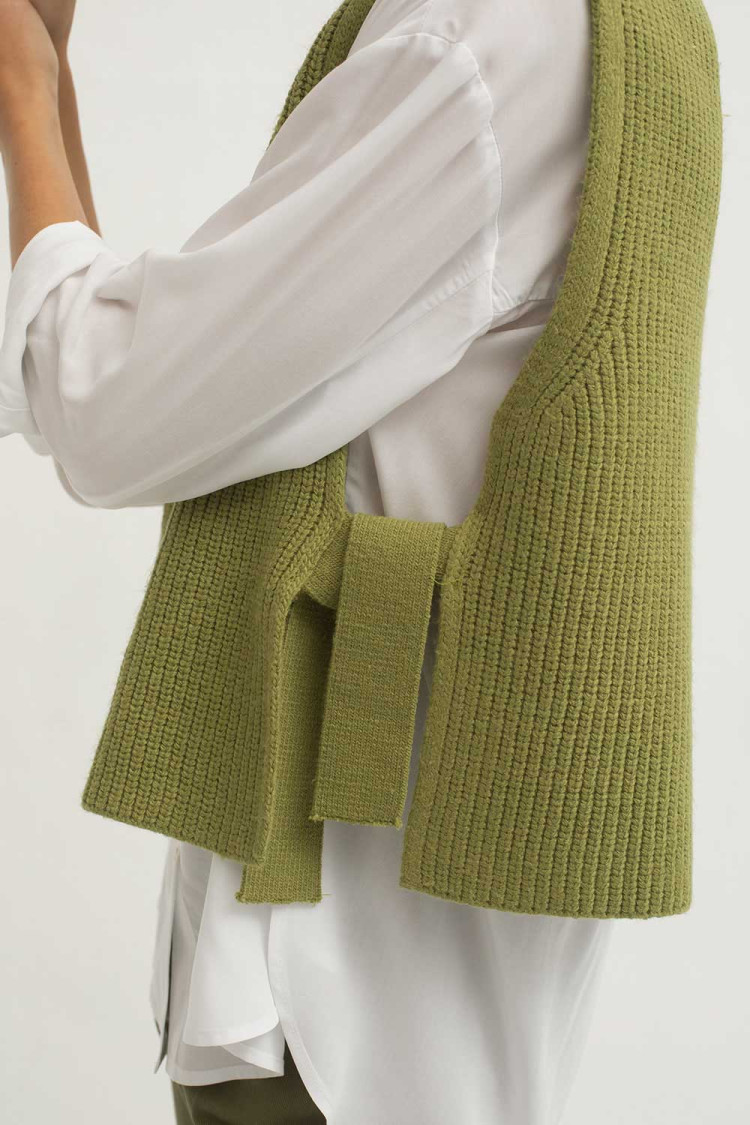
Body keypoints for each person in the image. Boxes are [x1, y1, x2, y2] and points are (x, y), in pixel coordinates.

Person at [0, 1, 722, 1123]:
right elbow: (136, 381)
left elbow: (107, 403)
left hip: (328, 985)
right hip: (434, 987)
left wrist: (22, 88)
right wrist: (52, 89)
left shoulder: (481, 36)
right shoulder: (637, 30)